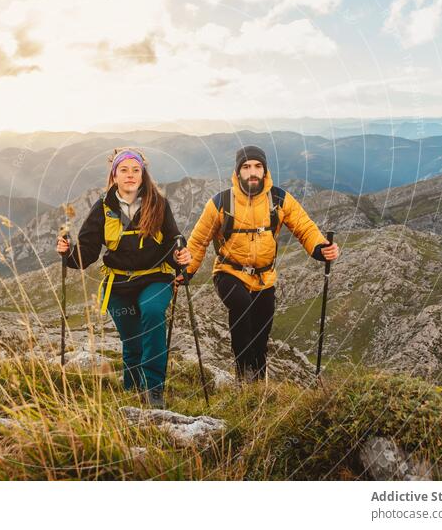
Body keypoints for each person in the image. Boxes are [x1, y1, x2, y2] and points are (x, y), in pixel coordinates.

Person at [184, 146, 340, 382]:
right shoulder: (221, 202)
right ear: (237, 173)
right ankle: (243, 371)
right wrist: (185, 272)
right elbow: (198, 241)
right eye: (246, 167)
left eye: (257, 166)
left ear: (265, 171)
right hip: (229, 272)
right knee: (241, 305)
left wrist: (320, 248)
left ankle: (257, 380)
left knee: (261, 333)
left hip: (264, 277)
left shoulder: (278, 199)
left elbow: (304, 227)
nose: (252, 172)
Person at [56, 148, 191, 408]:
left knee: (151, 313)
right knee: (131, 343)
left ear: (143, 175)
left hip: (155, 278)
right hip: (119, 284)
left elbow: (173, 242)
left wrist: (181, 258)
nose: (130, 175)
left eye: (135, 170)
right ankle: (132, 391)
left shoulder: (158, 204)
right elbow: (87, 253)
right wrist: (68, 254)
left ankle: (154, 392)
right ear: (114, 175)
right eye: (124, 170)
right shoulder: (103, 208)